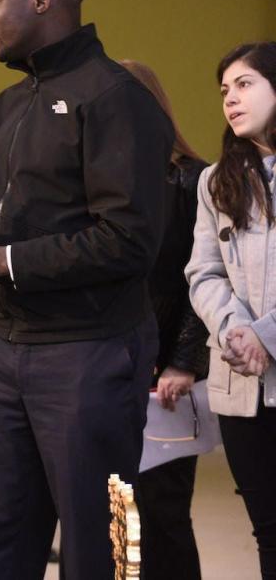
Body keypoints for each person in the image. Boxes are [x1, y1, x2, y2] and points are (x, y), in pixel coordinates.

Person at [0, 0, 173, 578]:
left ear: (42, 0)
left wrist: (0, 260)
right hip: (5, 350)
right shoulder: (1, 111)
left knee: (101, 547)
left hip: (92, 349)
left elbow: (128, 239)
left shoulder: (117, 98)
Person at [186, 41, 276, 576]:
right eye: (224, 90)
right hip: (241, 385)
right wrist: (235, 330)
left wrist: (266, 335)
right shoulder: (215, 181)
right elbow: (203, 272)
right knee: (268, 529)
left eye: (244, 84)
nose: (231, 99)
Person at [119, 59, 210, 579]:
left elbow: (204, 279)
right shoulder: (102, 182)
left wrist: (183, 361)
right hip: (109, 368)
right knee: (117, 512)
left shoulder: (194, 179)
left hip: (166, 376)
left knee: (164, 512)